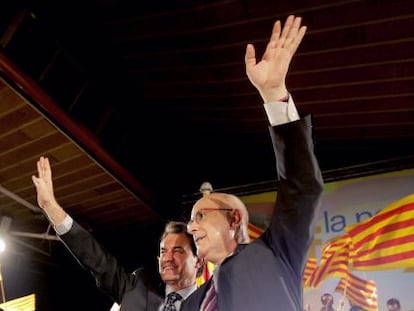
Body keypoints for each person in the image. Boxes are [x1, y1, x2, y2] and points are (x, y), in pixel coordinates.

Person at [183, 15, 324, 311]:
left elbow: (303, 187)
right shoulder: (191, 304)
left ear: (235, 219)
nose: (191, 227)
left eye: (200, 216)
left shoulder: (276, 251)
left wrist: (273, 93)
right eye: (191, 219)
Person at [32, 156, 203, 311]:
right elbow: (95, 258)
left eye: (178, 250)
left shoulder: (212, 303)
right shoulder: (138, 286)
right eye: (163, 251)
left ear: (198, 261)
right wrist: (50, 206)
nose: (167, 258)